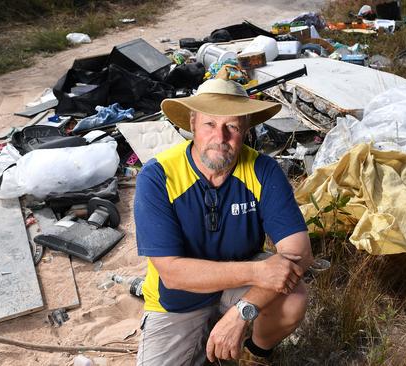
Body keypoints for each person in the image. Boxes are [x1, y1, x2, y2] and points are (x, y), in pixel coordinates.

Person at [133, 75, 313, 365]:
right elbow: (172, 273)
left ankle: (256, 354)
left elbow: (300, 254)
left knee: (293, 299)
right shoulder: (158, 176)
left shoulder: (263, 170)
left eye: (232, 126)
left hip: (240, 291)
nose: (221, 138)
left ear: (246, 130)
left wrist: (241, 312)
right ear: (192, 124)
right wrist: (258, 273)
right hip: (176, 302)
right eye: (210, 124)